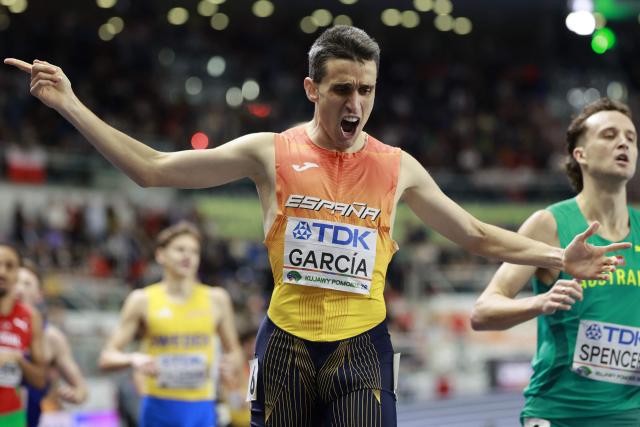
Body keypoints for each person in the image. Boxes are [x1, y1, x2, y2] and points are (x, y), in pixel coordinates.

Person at [5, 26, 628, 426]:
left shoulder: (397, 167)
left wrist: (556, 257)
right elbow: (152, 169)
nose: (355, 104)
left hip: (362, 348)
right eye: (341, 90)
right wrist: (69, 105)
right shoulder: (266, 152)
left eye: (367, 90)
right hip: (285, 346)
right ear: (312, 88)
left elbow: (477, 235)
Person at [471, 98, 640, 427]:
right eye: (609, 135)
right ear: (581, 155)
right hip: (558, 412)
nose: (624, 143)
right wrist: (541, 302)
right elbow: (483, 312)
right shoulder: (548, 225)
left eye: (631, 138)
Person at [98, 221, 243, 427]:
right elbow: (106, 357)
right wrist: (134, 359)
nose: (188, 256)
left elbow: (235, 353)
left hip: (202, 409)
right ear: (160, 255)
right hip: (158, 409)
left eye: (194, 251)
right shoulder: (142, 300)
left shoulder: (217, 299)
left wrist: (231, 365)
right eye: (180, 249)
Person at [14, 260, 88, 427]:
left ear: (39, 294)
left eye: (27, 284)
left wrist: (75, 394)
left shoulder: (51, 336)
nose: (19, 288)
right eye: (16, 281)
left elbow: (82, 390)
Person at [0, 243, 47, 427]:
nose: (2, 272)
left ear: (18, 273)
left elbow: (40, 380)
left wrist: (19, 360)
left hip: (11, 417)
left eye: (10, 266)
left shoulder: (31, 317)